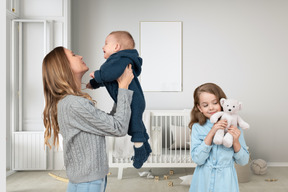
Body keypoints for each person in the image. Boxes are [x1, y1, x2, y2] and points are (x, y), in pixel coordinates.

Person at [42, 46, 134, 192]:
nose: (80, 56)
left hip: (89, 180)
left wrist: (120, 90)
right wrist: (123, 88)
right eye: (73, 55)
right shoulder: (74, 104)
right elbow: (119, 127)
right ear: (64, 67)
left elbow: (109, 123)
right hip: (87, 183)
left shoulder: (71, 102)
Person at [87, 31, 151, 169]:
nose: (102, 46)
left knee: (134, 127)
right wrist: (94, 84)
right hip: (134, 99)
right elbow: (110, 80)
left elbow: (108, 75)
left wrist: (97, 75)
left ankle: (140, 151)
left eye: (105, 43)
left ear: (116, 47)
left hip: (132, 100)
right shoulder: (118, 61)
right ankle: (146, 147)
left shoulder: (119, 60)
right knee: (138, 124)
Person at [188, 83, 249, 192]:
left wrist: (236, 141)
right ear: (199, 108)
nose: (211, 107)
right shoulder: (197, 128)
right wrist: (211, 133)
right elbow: (198, 159)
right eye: (205, 105)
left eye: (215, 103)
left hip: (226, 183)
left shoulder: (235, 126)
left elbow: (243, 161)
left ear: (222, 102)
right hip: (203, 182)